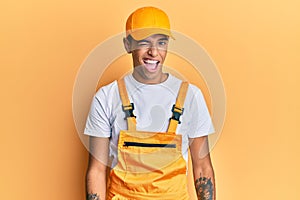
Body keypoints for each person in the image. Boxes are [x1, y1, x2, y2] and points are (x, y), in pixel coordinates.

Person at [84, 6, 216, 200]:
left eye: (161, 42)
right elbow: (96, 170)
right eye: (144, 42)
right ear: (127, 44)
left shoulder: (191, 97)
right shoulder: (106, 97)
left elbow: (203, 167)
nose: (154, 52)